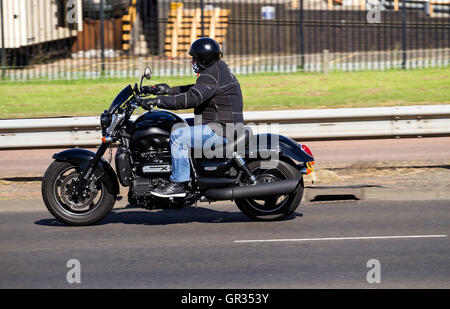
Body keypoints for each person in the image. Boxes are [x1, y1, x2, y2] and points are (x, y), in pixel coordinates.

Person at [140, 37, 244, 198]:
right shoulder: (216, 69)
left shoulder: (211, 75)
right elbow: (197, 90)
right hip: (218, 124)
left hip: (221, 129)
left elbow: (191, 98)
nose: (192, 62)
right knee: (172, 125)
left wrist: (157, 101)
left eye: (194, 58)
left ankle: (179, 183)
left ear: (204, 58)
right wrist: (167, 91)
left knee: (178, 137)